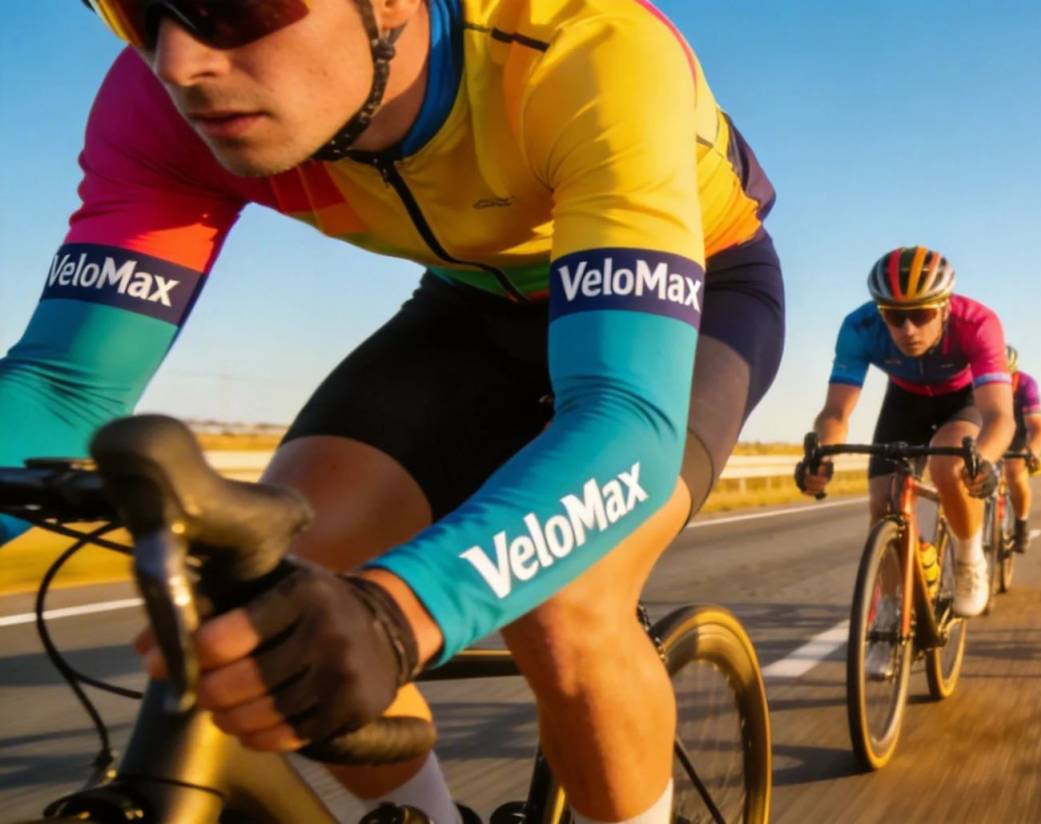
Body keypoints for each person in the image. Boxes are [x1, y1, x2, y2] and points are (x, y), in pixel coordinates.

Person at [0, 1, 783, 821]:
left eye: (230, 5)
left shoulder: (587, 50)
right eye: (133, 11)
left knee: (566, 601)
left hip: (703, 286)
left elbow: (625, 417)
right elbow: (62, 385)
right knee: (279, 598)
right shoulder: (156, 102)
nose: (178, 63)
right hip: (473, 302)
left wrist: (397, 617)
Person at [798, 247, 1013, 620]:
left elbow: (998, 417)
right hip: (905, 401)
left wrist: (985, 461)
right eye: (895, 317)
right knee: (883, 502)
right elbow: (835, 412)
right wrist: (823, 455)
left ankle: (969, 559)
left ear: (944, 308)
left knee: (949, 466)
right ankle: (890, 609)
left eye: (921, 314)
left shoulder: (978, 323)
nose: (908, 329)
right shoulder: (860, 327)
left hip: (961, 400)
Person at [1003, 345, 1041, 552]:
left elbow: (1036, 427)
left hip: (1018, 434)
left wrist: (1033, 451)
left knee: (1014, 472)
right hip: (987, 428)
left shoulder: (1026, 384)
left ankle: (1021, 524)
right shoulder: (978, 381)